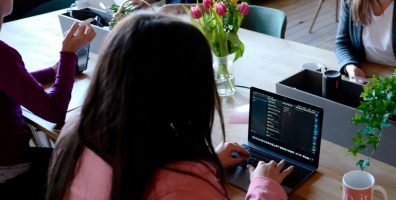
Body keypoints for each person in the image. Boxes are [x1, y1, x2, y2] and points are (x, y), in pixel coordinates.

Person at [46, 14, 293, 200]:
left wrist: (209, 163)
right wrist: (263, 187)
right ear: (188, 92)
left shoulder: (75, 133)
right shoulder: (181, 183)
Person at [0, 0, 96, 198]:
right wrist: (68, 53)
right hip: (11, 170)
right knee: (86, 162)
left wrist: (54, 71)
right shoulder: (3, 55)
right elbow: (55, 112)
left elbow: (10, 80)